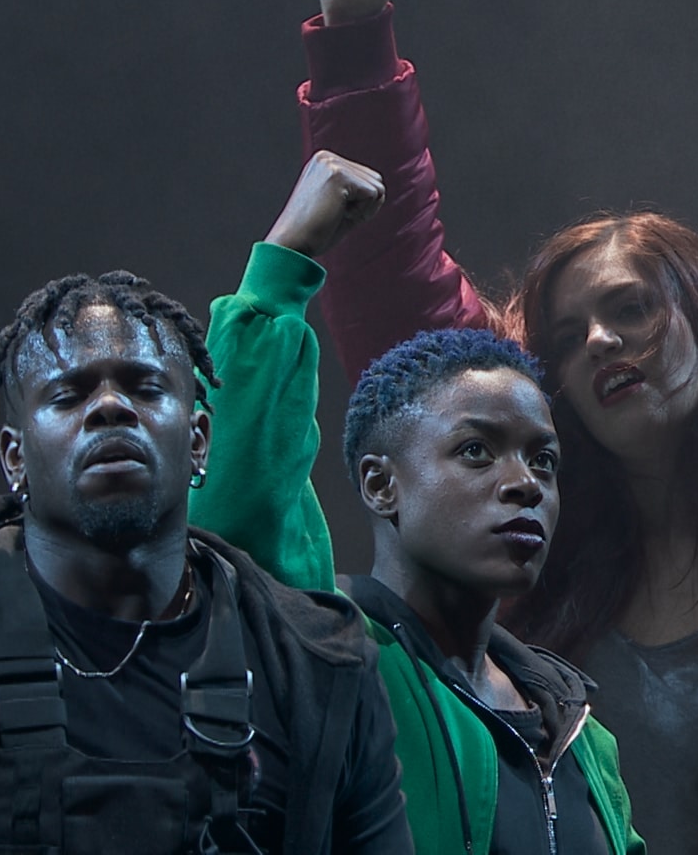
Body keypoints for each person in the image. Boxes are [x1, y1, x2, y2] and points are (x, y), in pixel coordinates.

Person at [288, 0, 698, 849]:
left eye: (632, 309)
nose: (600, 341)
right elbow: (399, 289)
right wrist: (355, 50)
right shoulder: (539, 517)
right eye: (567, 335)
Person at [187, 151, 646, 854]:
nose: (525, 482)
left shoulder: (581, 732)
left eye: (543, 460)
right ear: (380, 485)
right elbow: (234, 511)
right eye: (476, 450)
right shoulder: (330, 656)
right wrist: (283, 264)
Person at [0, 270, 410, 854]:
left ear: (198, 441)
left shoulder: (320, 666)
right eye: (69, 395)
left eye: (145, 388)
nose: (110, 407)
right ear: (15, 458)